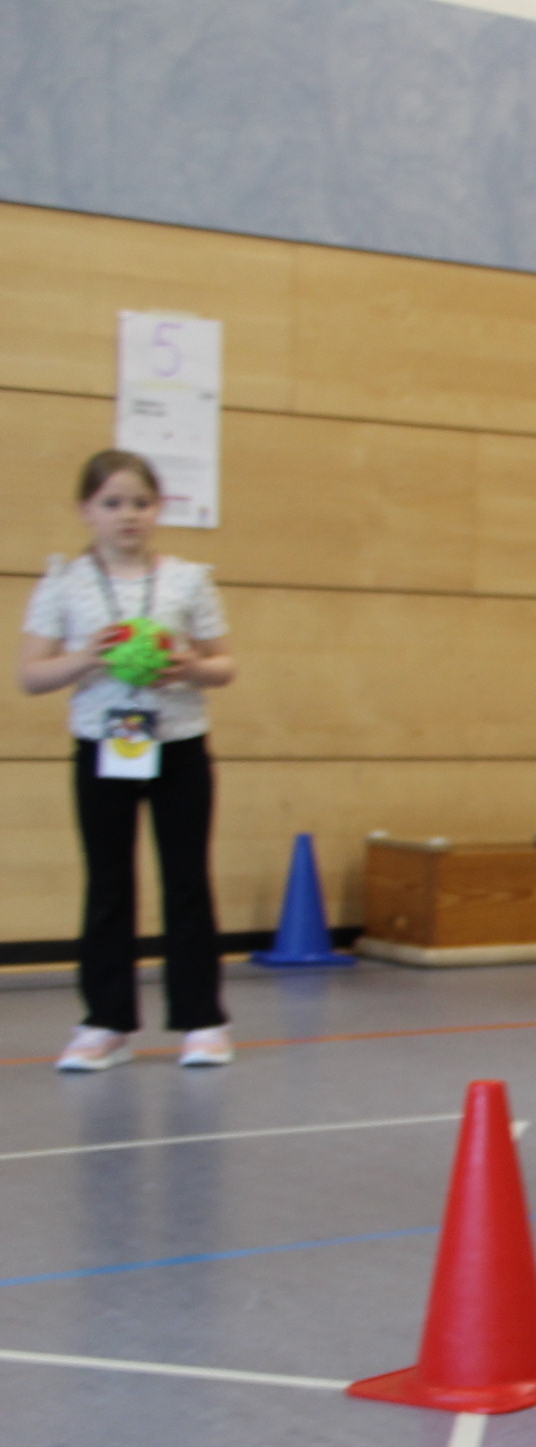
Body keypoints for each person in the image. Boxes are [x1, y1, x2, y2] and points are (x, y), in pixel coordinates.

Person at [19, 450, 239, 1073]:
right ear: (86, 510)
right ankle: (105, 1022)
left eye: (141, 503)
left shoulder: (188, 581)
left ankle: (202, 1020)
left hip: (179, 746)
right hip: (104, 746)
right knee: (109, 884)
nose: (128, 515)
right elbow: (31, 675)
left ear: (158, 509)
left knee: (187, 881)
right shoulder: (64, 582)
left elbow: (225, 664)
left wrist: (191, 667)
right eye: (112, 503)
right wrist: (88, 657)